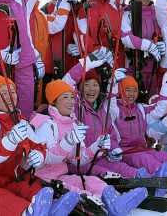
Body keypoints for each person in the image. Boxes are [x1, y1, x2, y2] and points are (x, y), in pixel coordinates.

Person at [0, 75, 80, 216]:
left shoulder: (21, 123)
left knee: (32, 189)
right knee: (2, 199)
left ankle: (53, 208)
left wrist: (40, 155)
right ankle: (28, 213)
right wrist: (11, 139)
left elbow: (40, 146)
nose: (10, 96)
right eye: (4, 93)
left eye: (12, 92)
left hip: (7, 181)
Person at [31, 79, 148, 216]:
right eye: (65, 97)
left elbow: (78, 158)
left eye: (71, 97)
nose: (70, 102)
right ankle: (105, 205)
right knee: (75, 190)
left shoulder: (72, 123)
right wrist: (69, 141)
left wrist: (96, 147)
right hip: (43, 178)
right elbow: (49, 158)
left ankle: (116, 199)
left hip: (61, 174)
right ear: (54, 101)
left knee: (93, 181)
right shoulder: (45, 124)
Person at [120, 0, 166, 102]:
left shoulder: (156, 13)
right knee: (131, 101)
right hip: (133, 66)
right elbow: (125, 37)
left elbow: (164, 33)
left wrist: (162, 45)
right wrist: (149, 46)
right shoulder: (127, 13)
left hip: (153, 68)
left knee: (151, 102)